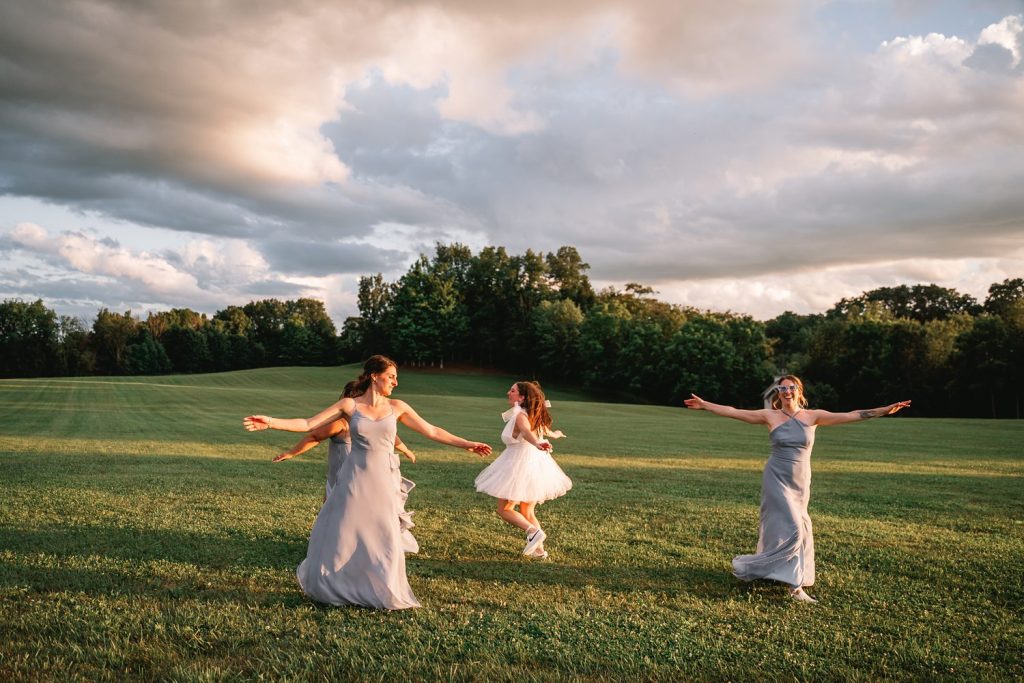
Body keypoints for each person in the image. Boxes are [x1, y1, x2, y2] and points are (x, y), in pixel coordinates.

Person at [244, 355, 492, 610]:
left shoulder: (398, 407)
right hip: (353, 477)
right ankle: (335, 585)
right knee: (345, 530)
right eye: (392, 376)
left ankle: (383, 589)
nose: (396, 382)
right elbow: (309, 424)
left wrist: (467, 444)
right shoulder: (349, 405)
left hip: (383, 478)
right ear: (375, 376)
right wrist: (271, 422)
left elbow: (432, 430)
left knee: (384, 533)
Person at [684, 375, 910, 603]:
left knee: (798, 526)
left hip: (801, 481)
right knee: (794, 528)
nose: (786, 391)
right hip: (776, 478)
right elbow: (733, 411)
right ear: (778, 392)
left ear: (798, 391)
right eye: (782, 388)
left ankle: (773, 571)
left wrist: (884, 410)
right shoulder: (769, 416)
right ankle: (795, 587)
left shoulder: (813, 416)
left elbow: (852, 415)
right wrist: (705, 405)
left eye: (791, 387)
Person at [262, 380, 419, 553]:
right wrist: (292, 453)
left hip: (352, 476)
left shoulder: (355, 422)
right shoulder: (341, 423)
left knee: (342, 513)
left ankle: (347, 545)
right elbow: (312, 435)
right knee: (340, 513)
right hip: (345, 474)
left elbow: (392, 438)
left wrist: (406, 450)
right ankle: (339, 544)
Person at [474, 381, 571, 560]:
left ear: (522, 397)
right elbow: (542, 431)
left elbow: (526, 432)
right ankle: (539, 551)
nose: (508, 393)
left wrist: (537, 442)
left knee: (505, 509)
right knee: (527, 511)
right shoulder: (533, 414)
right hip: (535, 465)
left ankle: (533, 532)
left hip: (518, 464)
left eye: (512, 391)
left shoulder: (520, 415)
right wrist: (553, 435)